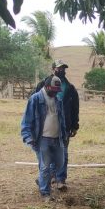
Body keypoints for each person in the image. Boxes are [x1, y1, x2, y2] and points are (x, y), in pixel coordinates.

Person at [32, 60, 79, 190]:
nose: (62, 71)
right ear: (53, 69)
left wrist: (75, 125)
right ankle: (47, 178)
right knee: (46, 155)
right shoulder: (42, 85)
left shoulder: (70, 88)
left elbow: (75, 108)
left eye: (64, 68)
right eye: (59, 68)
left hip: (64, 127)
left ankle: (60, 180)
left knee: (62, 154)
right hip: (45, 126)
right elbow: (33, 104)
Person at [21, 76, 67, 202]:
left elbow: (61, 120)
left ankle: (42, 180)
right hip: (43, 139)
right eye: (53, 90)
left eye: (58, 90)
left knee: (59, 163)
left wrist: (64, 136)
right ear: (46, 87)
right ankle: (45, 193)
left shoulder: (58, 100)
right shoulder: (36, 99)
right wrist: (28, 137)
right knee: (45, 167)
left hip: (57, 138)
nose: (56, 92)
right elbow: (27, 120)